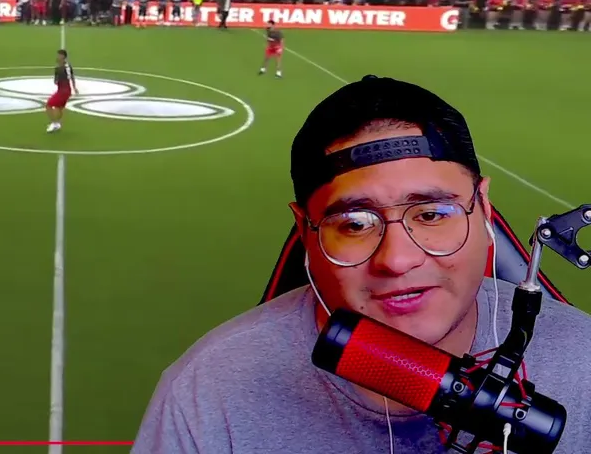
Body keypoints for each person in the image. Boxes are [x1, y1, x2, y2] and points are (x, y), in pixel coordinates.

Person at [131, 76, 591, 454]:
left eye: (432, 214)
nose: (398, 259)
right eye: (354, 224)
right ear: (305, 230)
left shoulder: (583, 360)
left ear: (484, 208)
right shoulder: (208, 392)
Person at [45, 49, 77, 133]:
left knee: (48, 105)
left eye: (59, 55)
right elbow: (72, 77)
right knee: (58, 108)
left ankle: (54, 123)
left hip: (62, 91)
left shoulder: (59, 68)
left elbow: (56, 82)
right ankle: (57, 124)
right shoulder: (68, 66)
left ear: (63, 56)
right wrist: (74, 87)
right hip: (67, 90)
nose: (57, 57)